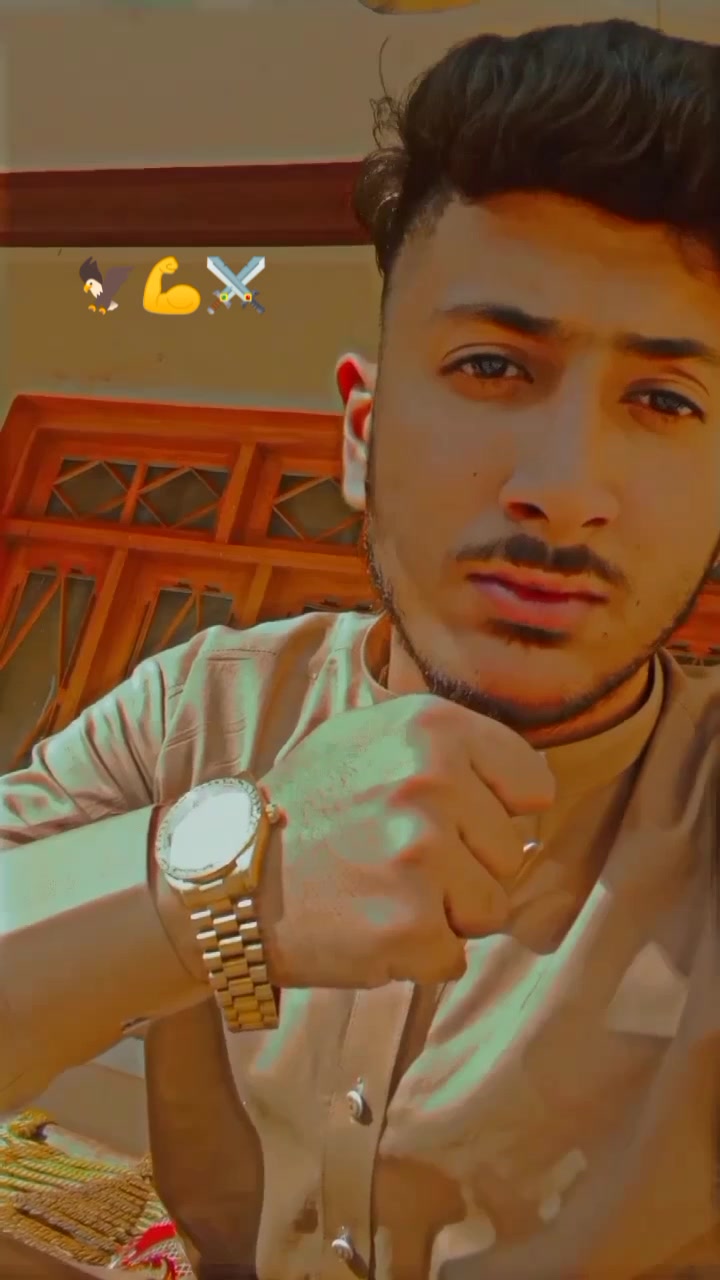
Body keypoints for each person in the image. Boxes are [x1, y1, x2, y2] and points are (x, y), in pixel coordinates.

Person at [3, 15, 720, 1279]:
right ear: (361, 431)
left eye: (663, 399)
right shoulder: (198, 712)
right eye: (493, 366)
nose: (565, 488)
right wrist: (215, 883)